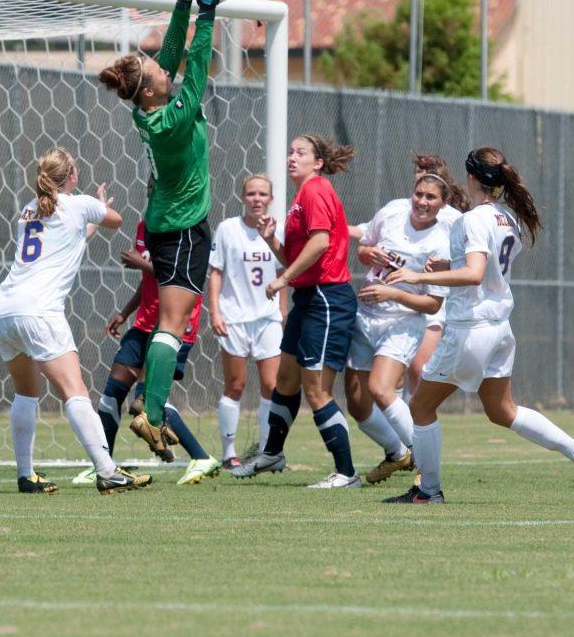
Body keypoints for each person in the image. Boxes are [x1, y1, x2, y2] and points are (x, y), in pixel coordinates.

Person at [380, 147, 574, 505]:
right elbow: (484, 270)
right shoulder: (506, 217)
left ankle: (427, 491)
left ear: (471, 178)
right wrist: (445, 264)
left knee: (420, 407)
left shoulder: (473, 219)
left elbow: (474, 274)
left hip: (471, 327)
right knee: (503, 411)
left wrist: (411, 273)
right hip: (499, 327)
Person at [98, 0, 226, 460]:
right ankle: (152, 413)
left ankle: (151, 412)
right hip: (185, 227)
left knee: (166, 323)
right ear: (152, 90)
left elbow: (171, 54)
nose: (160, 68)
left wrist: (182, 0)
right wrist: (208, 13)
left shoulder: (146, 108)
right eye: (155, 71)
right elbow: (194, 62)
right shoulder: (173, 118)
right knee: (171, 324)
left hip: (164, 225)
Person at [0, 148, 151, 495]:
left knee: (27, 392)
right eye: (76, 170)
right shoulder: (77, 203)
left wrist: (90, 212)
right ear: (72, 177)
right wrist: (99, 203)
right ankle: (107, 470)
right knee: (74, 390)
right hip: (39, 310)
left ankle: (25, 475)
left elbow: (70, 238)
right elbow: (117, 219)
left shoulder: (30, 209)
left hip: (5, 308)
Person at [232, 135, 361, 489]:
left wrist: (284, 279)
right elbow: (297, 257)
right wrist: (273, 241)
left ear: (318, 162)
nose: (292, 157)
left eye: (300, 153)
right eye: (289, 151)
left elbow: (321, 243)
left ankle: (347, 473)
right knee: (284, 379)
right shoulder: (300, 197)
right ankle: (272, 454)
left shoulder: (316, 189)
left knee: (317, 389)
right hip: (309, 297)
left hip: (327, 299)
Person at [77, 214, 222, 487]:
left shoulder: (185, 226)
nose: (152, 193)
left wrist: (140, 263)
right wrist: (124, 313)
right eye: (149, 189)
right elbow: (148, 279)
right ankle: (103, 464)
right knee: (111, 394)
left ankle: (201, 457)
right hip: (144, 323)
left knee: (145, 402)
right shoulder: (146, 225)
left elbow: (178, 274)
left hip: (172, 325)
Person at [344, 174, 452, 486]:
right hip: (366, 315)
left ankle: (424, 463)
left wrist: (393, 293)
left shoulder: (441, 242)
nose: (422, 202)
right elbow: (364, 247)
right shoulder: (390, 214)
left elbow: (432, 305)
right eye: (419, 194)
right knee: (357, 402)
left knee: (381, 388)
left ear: (443, 204)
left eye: (431, 198)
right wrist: (369, 253)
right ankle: (397, 452)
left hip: (404, 320)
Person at [349, 153, 468, 399]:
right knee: (377, 390)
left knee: (418, 368)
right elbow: (364, 239)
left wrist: (442, 267)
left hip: (426, 305)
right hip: (377, 309)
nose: (421, 175)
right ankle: (405, 426)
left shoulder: (452, 220)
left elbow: (471, 259)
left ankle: (417, 425)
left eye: (429, 170)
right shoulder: (396, 210)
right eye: (418, 171)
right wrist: (367, 252)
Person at [208, 174, 286, 469]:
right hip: (234, 318)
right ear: (243, 197)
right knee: (236, 385)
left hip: (267, 319)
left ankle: (268, 452)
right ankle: (229, 453)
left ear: (270, 199)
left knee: (272, 385)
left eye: (262, 194)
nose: (257, 198)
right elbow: (215, 272)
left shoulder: (279, 231)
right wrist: (215, 311)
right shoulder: (228, 228)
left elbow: (284, 271)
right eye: (251, 193)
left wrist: (283, 310)